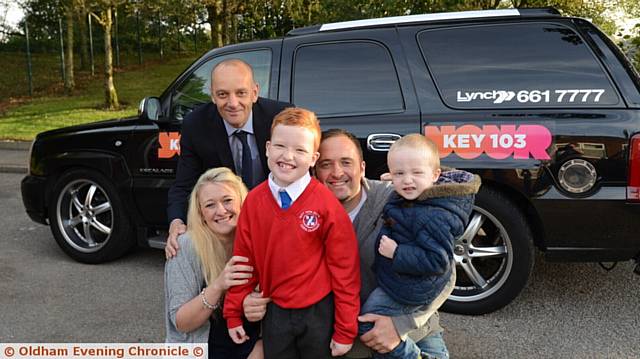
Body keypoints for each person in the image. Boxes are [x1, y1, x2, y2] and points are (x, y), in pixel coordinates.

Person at [244, 129, 455, 359]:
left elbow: (445, 271)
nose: (337, 172)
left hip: (412, 334)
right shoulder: (293, 210)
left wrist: (400, 324)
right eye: (326, 164)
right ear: (314, 169)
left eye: (346, 162)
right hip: (345, 342)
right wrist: (251, 298)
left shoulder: (396, 199)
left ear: (362, 168)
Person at [223, 108, 361, 358]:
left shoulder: (326, 205)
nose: (288, 156)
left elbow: (345, 271)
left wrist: (345, 330)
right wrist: (233, 312)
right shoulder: (254, 202)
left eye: (300, 150)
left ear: (313, 158)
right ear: (267, 148)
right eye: (280, 146)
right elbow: (244, 260)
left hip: (318, 312)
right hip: (274, 310)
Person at [360, 134, 480, 358]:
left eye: (416, 173)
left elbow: (439, 261)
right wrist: (402, 176)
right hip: (399, 282)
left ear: (436, 175)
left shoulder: (433, 215)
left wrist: (397, 252)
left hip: (410, 288)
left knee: (368, 322)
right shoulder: (415, 197)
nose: (407, 180)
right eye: (399, 173)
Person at [165, 59, 291, 258]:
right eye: (223, 94)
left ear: (255, 92)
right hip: (226, 224)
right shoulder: (195, 125)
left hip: (276, 220)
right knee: (181, 246)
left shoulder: (281, 118)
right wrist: (176, 223)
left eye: (241, 93)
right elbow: (183, 185)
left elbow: (302, 177)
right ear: (212, 95)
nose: (233, 103)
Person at [164, 167, 262, 358]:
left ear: (243, 202)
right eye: (210, 205)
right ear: (200, 213)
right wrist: (219, 285)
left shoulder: (259, 240)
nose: (221, 211)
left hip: (250, 343)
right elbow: (181, 322)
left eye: (227, 200)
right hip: (204, 348)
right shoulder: (184, 247)